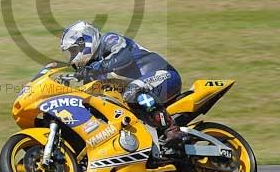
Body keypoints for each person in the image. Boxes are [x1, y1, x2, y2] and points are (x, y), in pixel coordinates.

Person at [60, 20, 187, 150]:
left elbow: (123, 58)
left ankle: (172, 129)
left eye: (74, 50)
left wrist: (94, 68)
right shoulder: (91, 70)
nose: (73, 57)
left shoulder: (109, 40)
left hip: (165, 76)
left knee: (133, 90)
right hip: (142, 94)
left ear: (85, 42)